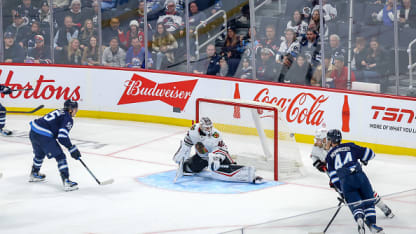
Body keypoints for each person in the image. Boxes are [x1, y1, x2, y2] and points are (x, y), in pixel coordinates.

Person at [311, 128, 394, 219]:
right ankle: (359, 211)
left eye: (318, 140)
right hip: (336, 176)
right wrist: (319, 165)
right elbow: (314, 158)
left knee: (366, 192)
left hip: (350, 173)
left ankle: (383, 207)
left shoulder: (338, 148)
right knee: (349, 194)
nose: (316, 142)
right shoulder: (316, 149)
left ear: (325, 140)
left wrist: (363, 159)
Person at [325, 129, 386, 233]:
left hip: (345, 181)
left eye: (328, 139)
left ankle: (359, 218)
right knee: (369, 201)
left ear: (331, 141)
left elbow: (334, 177)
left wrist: (342, 190)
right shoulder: (350, 146)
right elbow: (370, 153)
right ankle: (372, 225)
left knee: (355, 203)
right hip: (359, 176)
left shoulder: (329, 156)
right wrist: (364, 160)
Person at [173, 117, 264, 184]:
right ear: (200, 126)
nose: (209, 130)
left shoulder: (216, 135)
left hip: (219, 154)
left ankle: (249, 175)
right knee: (187, 168)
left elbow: (221, 149)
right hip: (203, 157)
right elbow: (187, 143)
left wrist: (216, 158)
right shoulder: (193, 130)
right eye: (206, 128)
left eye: (210, 127)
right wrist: (181, 154)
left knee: (219, 170)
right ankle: (203, 165)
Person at [28, 99, 81, 191]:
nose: (76, 111)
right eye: (75, 109)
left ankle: (34, 173)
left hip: (33, 131)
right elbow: (62, 137)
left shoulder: (59, 111)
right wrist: (71, 148)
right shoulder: (68, 118)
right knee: (60, 157)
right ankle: (66, 182)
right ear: (70, 109)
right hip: (44, 135)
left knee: (39, 154)